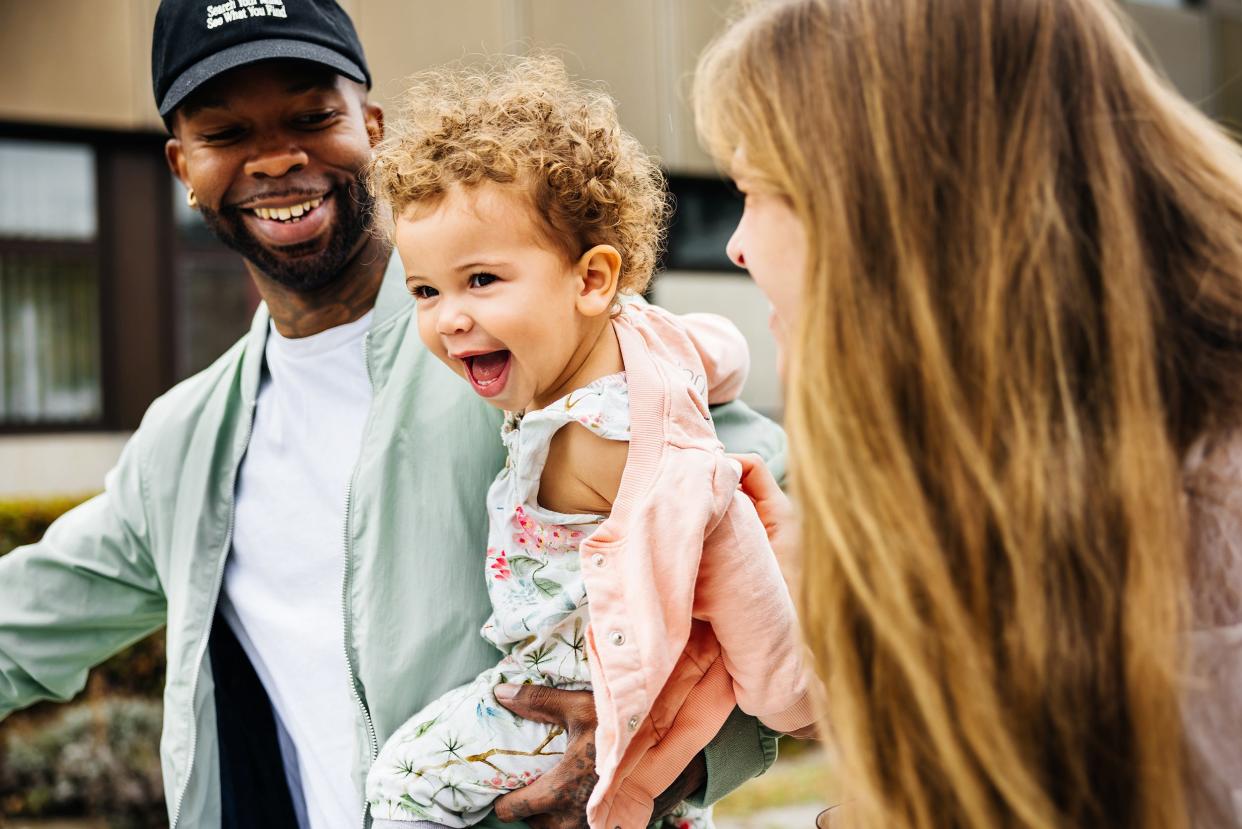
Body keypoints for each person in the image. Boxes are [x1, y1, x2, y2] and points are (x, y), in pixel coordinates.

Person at [0, 2, 789, 828]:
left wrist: (674, 756)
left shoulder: (526, 343)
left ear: (370, 124)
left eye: (312, 116)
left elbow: (783, 549)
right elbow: (27, 620)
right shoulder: (183, 440)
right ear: (180, 165)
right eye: (226, 133)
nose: (275, 159)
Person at [693, 0, 1242, 827]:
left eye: (753, 191)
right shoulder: (1036, 469)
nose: (736, 245)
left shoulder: (1205, 523)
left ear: (890, 213)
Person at [359, 59, 815, 829]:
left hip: (573, 693)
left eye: (481, 280)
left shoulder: (603, 444)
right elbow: (718, 350)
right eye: (426, 291)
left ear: (592, 278)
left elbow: (723, 531)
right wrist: (722, 372)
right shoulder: (640, 331)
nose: (448, 319)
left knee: (398, 783)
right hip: (607, 687)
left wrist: (790, 690)